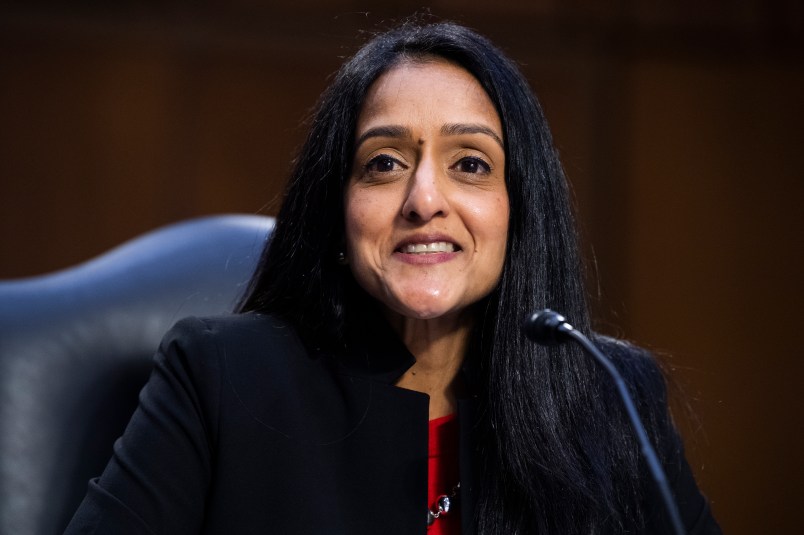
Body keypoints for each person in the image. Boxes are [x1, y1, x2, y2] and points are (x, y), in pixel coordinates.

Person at [65, 20, 721, 535]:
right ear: (338, 210)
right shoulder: (220, 381)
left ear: (519, 210)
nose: (424, 197)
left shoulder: (612, 402)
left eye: (469, 164)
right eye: (383, 163)